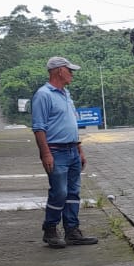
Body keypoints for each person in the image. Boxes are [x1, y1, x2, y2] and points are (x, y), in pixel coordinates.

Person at [31, 57, 97, 249]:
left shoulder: (65, 94)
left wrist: (79, 150)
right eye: (69, 70)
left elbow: (71, 124)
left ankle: (72, 230)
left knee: (73, 193)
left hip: (72, 150)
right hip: (56, 151)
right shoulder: (43, 95)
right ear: (59, 71)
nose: (72, 74)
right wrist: (45, 154)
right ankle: (50, 229)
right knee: (59, 192)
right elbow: (39, 128)